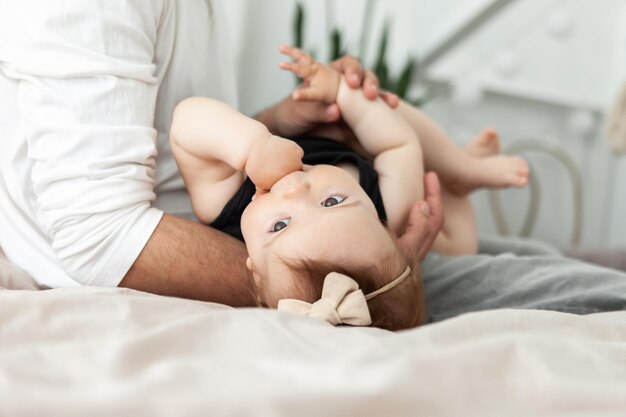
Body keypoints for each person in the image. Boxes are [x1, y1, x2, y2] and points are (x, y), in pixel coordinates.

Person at [1, 1, 625, 321]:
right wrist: (359, 286)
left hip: (235, 234)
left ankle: (457, 176)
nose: (295, 192)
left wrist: (273, 128)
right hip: (172, 266)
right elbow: (96, 236)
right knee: (576, 292)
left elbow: (174, 136)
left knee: (545, 269)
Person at [169, 45, 529, 329]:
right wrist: (346, 96)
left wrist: (251, 147)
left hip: (321, 125)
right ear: (380, 222)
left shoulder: (224, 204)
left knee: (378, 104)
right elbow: (399, 146)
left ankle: (457, 172)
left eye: (280, 226)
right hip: (360, 135)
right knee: (460, 246)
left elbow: (187, 120)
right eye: (332, 201)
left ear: (253, 268)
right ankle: (459, 175)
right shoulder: (386, 204)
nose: (296, 193)